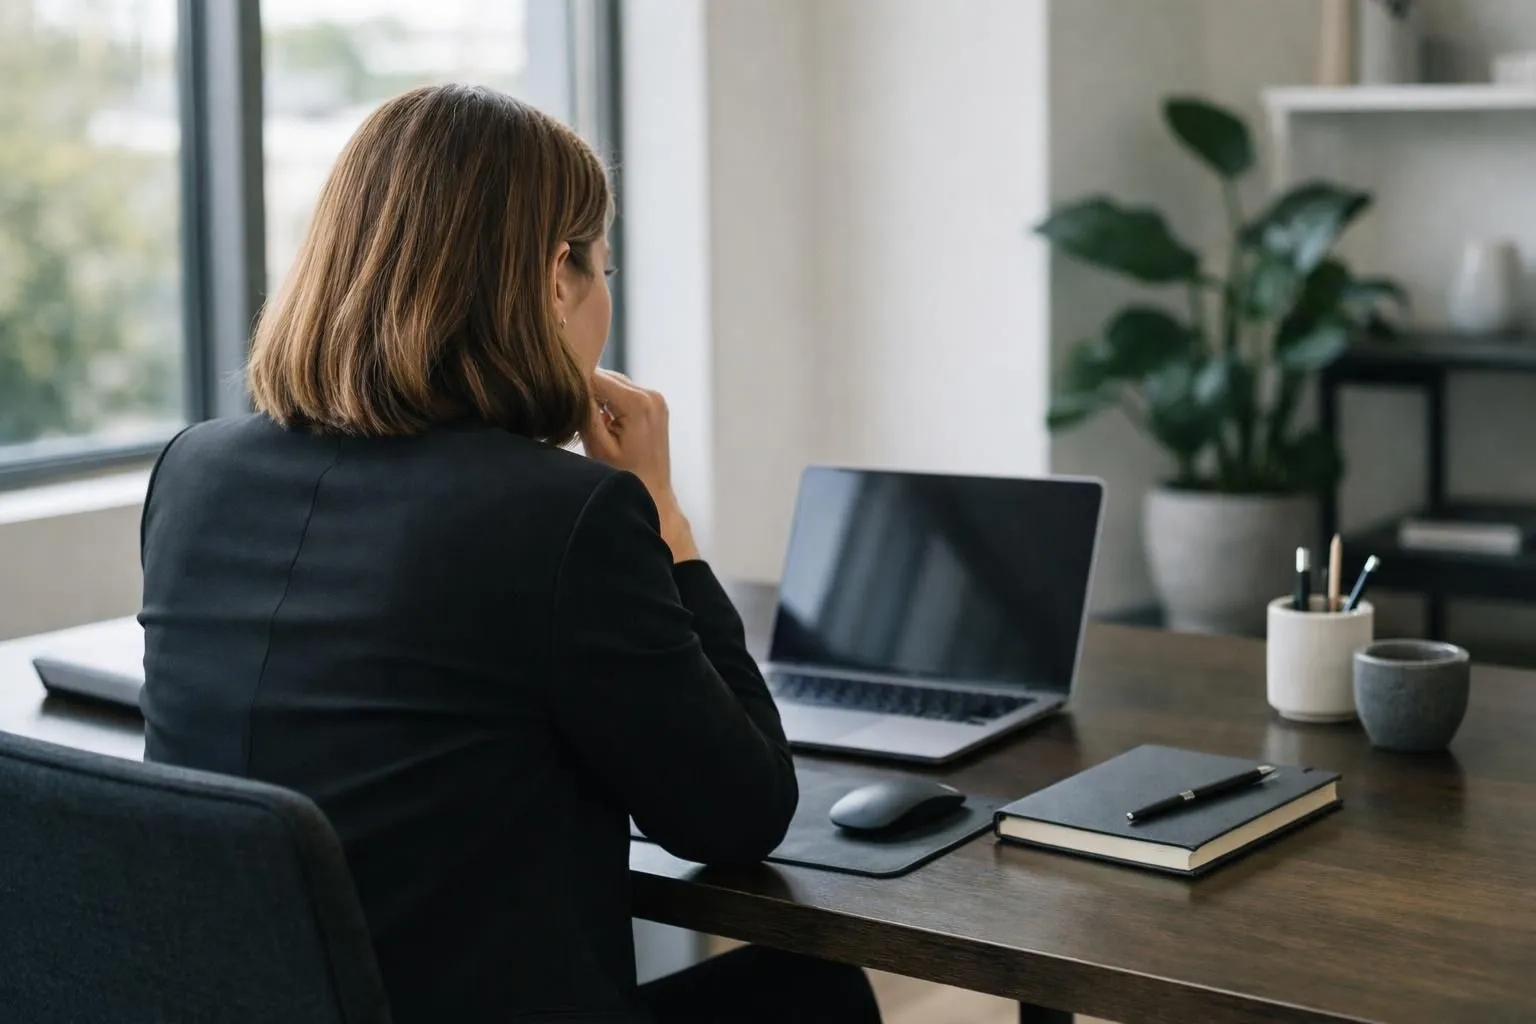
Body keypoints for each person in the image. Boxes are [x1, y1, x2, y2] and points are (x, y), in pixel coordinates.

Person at [138, 84, 881, 1024]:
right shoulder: (563, 516)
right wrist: (666, 520)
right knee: (814, 996)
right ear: (555, 275)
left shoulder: (194, 472)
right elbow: (737, 815)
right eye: (602, 267)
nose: (602, 299)